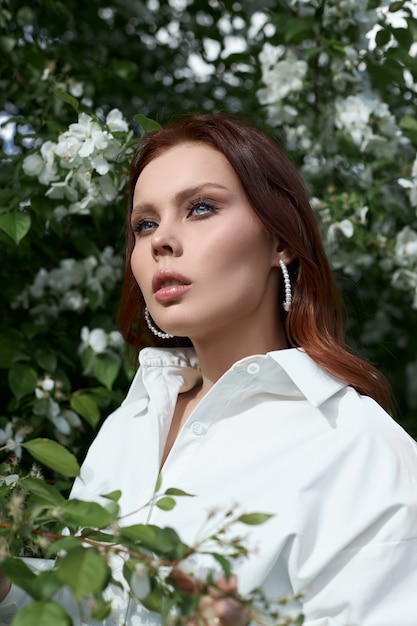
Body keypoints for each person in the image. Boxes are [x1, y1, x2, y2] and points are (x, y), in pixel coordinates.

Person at [1, 112, 417, 625]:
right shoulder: (129, 425)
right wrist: (8, 586)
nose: (160, 241)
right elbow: (84, 608)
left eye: (200, 208)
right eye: (144, 224)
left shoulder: (356, 444)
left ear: (280, 239)